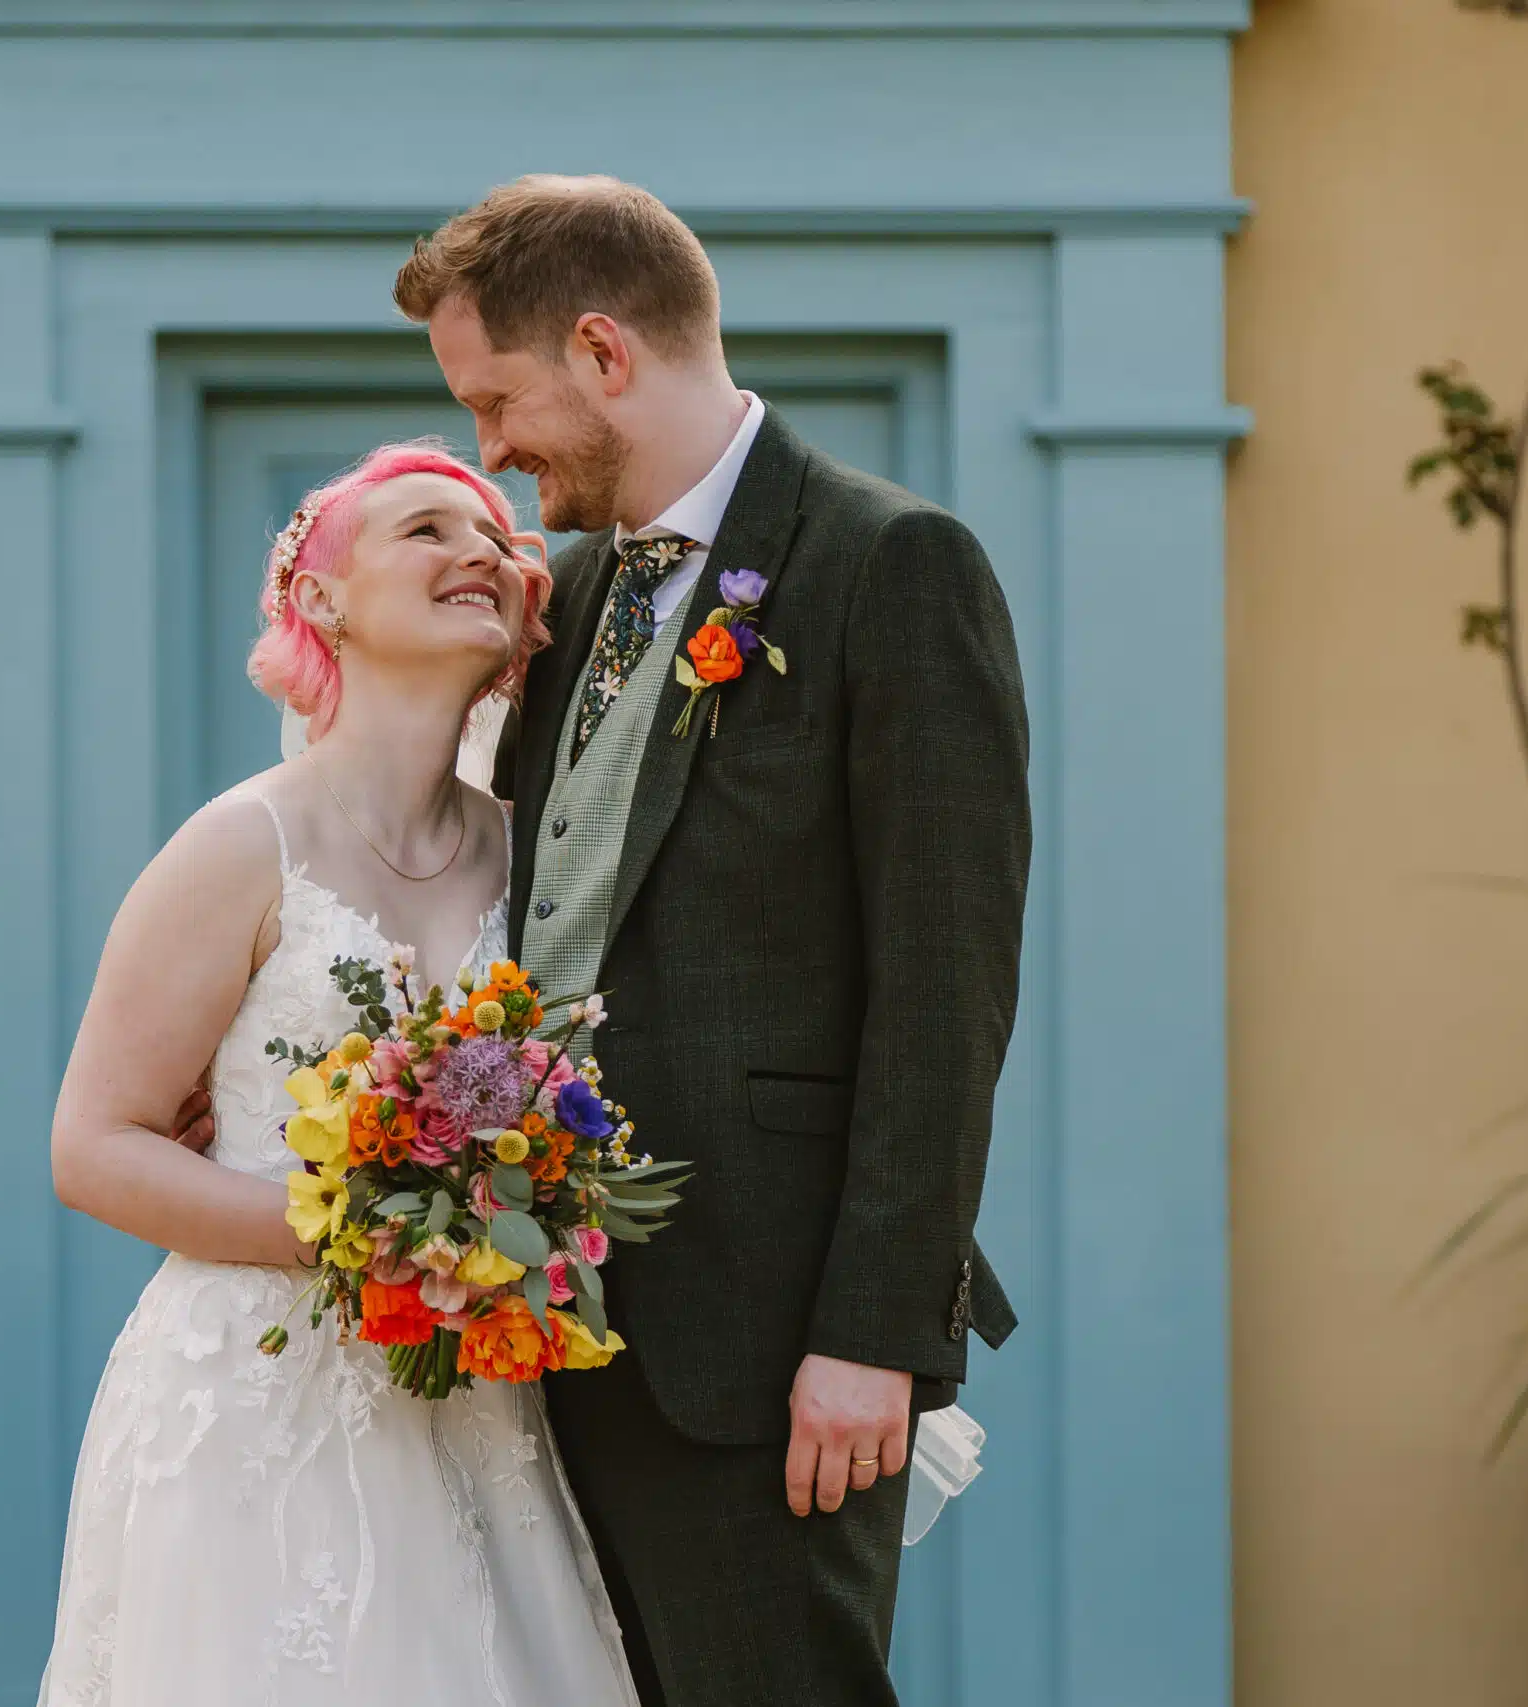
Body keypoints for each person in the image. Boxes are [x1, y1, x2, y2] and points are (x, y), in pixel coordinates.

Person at [393, 174, 1032, 1706]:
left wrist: (877, 1332)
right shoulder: (572, 598)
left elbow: (944, 988)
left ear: (603, 351)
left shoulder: (890, 564)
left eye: (496, 399)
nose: (490, 450)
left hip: (768, 1345)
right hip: (545, 1341)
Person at [33, 442, 641, 1704]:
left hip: (478, 1409)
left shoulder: (539, 863)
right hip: (255, 1406)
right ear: (319, 598)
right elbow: (93, 1146)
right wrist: (382, 1244)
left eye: (497, 539)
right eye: (427, 530)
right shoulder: (239, 844)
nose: (478, 552)